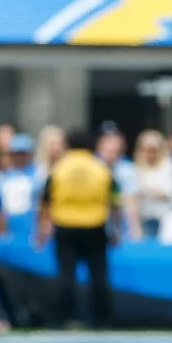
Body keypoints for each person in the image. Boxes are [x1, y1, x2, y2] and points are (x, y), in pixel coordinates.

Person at [37, 130, 119, 329]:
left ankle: (63, 317)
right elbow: (115, 200)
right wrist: (116, 228)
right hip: (95, 225)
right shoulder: (101, 168)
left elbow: (46, 200)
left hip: (65, 226)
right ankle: (101, 318)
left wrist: (41, 228)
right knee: (98, 276)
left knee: (66, 276)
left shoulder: (59, 168)